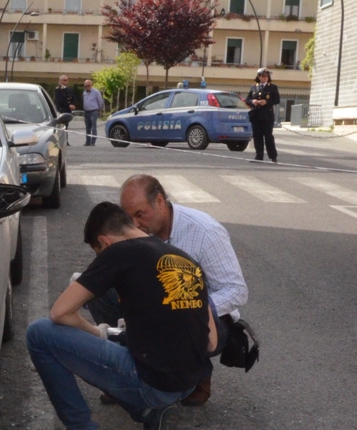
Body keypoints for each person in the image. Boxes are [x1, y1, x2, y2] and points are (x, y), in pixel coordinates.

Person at [27, 202, 217, 430]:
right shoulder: (185, 259)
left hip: (153, 385)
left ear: (104, 241)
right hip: (188, 383)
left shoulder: (118, 252)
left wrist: (98, 334)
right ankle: (147, 412)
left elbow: (59, 312)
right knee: (127, 343)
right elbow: (211, 343)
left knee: (39, 334)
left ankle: (82, 427)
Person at [118, 174, 248, 406]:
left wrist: (189, 307)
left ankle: (198, 374)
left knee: (175, 313)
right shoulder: (134, 232)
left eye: (140, 214)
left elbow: (236, 290)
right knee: (101, 294)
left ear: (159, 201)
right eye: (129, 218)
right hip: (154, 310)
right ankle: (126, 367)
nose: (135, 225)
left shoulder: (204, 231)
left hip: (206, 319)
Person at [245, 67, 280, 163]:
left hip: (267, 116)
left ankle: (273, 156)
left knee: (268, 136)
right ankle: (259, 156)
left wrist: (267, 102)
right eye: (263, 76)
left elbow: (277, 100)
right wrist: (253, 101)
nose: (265, 78)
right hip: (256, 115)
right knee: (257, 136)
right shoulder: (254, 87)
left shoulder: (272, 87)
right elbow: (247, 99)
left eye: (266, 76)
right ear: (259, 77)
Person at [82, 79, 105, 146]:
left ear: (91, 85)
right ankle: (87, 142)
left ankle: (93, 142)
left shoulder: (96, 92)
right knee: (87, 127)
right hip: (86, 112)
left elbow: (100, 101)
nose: (87, 87)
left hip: (93, 111)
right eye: (85, 86)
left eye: (88, 86)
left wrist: (99, 110)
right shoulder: (84, 93)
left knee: (93, 127)